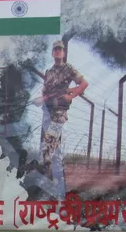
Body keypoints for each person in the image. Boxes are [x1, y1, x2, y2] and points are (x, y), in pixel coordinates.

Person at [33, 40, 88, 182]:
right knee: (55, 149)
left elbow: (84, 84)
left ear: (63, 52)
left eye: (60, 49)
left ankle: (46, 181)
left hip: (59, 113)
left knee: (47, 145)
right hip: (48, 113)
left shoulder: (68, 69)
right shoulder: (49, 72)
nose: (58, 51)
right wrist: (40, 100)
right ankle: (56, 182)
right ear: (52, 53)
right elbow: (45, 92)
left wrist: (71, 96)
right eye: (55, 49)